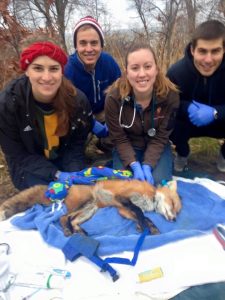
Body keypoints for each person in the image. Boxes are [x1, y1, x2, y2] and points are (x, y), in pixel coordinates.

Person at [0, 40, 107, 190]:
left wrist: (74, 172)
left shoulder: (77, 101)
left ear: (61, 71)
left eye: (53, 69)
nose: (47, 77)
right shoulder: (8, 104)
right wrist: (55, 174)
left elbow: (75, 146)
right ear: (27, 70)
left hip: (63, 157)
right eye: (38, 68)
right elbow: (17, 153)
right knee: (49, 195)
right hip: (29, 165)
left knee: (81, 191)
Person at [104, 42, 179, 185]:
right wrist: (134, 165)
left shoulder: (171, 96)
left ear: (156, 69)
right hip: (127, 144)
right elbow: (119, 138)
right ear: (126, 72)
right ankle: (121, 162)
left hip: (157, 144)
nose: (142, 74)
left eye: (148, 66)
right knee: (126, 184)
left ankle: (155, 162)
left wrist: (148, 164)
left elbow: (162, 137)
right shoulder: (113, 99)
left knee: (157, 183)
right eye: (135, 68)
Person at [167, 19, 225, 172]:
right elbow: (166, 104)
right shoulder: (176, 72)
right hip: (188, 123)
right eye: (202, 51)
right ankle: (182, 153)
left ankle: (224, 155)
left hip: (221, 121)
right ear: (193, 50)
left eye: (215, 51)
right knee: (168, 120)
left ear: (224, 50)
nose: (208, 59)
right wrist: (186, 107)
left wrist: (216, 112)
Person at [64, 16, 121, 155]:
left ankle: (104, 145)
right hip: (80, 116)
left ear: (101, 45)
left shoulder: (109, 62)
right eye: (83, 43)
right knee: (73, 145)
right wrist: (91, 123)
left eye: (94, 43)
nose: (89, 49)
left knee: (120, 134)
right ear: (76, 46)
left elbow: (122, 91)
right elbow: (67, 107)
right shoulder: (68, 69)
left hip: (105, 111)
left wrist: (113, 117)